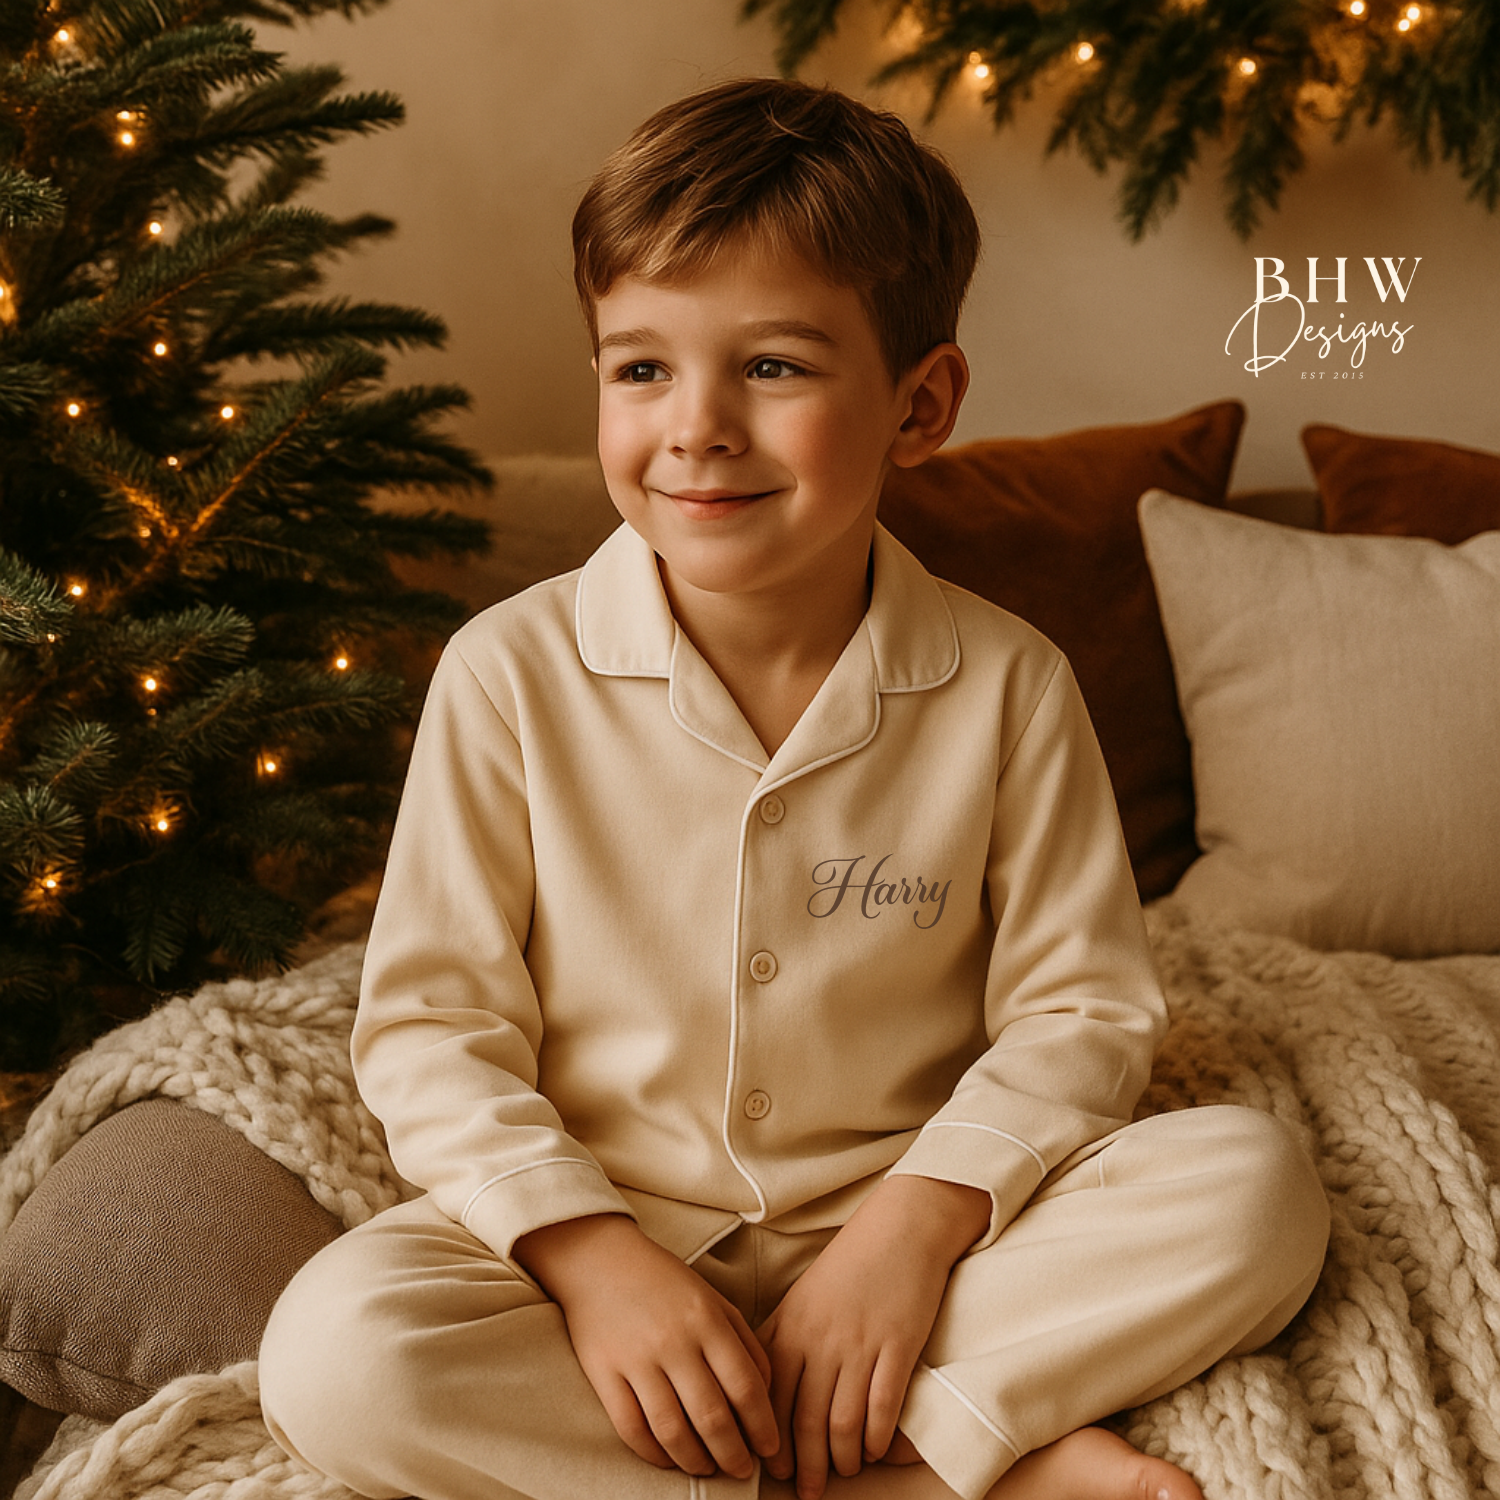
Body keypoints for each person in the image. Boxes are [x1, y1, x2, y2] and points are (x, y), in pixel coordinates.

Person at [258, 77, 1329, 1500]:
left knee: (1254, 1193)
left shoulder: (1008, 685)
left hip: (929, 1237)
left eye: (770, 367)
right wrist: (592, 1265)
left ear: (920, 403)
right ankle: (941, 1468)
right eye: (640, 369)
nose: (695, 426)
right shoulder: (505, 675)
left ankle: (889, 1415)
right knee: (336, 1356)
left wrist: (911, 1232)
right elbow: (434, 1032)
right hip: (609, 1231)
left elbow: (1083, 1010)